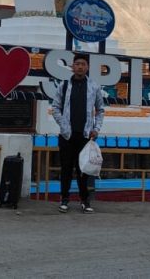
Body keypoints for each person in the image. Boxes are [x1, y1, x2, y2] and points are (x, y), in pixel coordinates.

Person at [51, 53, 104, 213]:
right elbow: (55, 107)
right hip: (67, 135)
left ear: (87, 67)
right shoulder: (64, 85)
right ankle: (64, 199)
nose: (80, 67)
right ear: (72, 66)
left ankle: (85, 200)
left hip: (85, 135)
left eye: (83, 64)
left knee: (84, 170)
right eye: (77, 64)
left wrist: (97, 128)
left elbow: (100, 110)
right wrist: (64, 125)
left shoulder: (94, 87)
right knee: (66, 168)